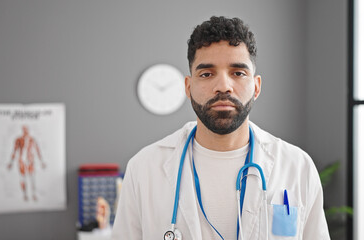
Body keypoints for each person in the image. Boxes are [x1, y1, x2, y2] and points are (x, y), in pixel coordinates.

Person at [112, 16, 330, 240]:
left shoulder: (297, 166)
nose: (223, 86)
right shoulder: (144, 168)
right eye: (207, 74)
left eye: (238, 73)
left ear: (256, 87)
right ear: (188, 87)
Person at [7, 125, 46, 201]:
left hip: (30, 160)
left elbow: (37, 150)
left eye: (27, 130)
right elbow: (14, 151)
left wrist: (42, 162)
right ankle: (25, 195)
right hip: (22, 161)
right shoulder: (18, 139)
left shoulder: (32, 139)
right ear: (22, 131)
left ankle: (33, 194)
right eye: (24, 130)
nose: (26, 132)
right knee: (23, 178)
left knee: (32, 178)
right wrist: (11, 163)